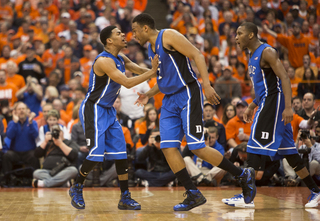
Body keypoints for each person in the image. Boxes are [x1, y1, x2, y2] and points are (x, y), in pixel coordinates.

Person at [132, 13, 256, 211]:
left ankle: (242, 174)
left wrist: (206, 84)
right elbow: (164, 80)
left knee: (196, 147)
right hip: (169, 99)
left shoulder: (168, 35)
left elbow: (197, 54)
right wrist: (149, 94)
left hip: (187, 93)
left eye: (135, 30)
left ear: (145, 28)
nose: (133, 35)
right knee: (168, 147)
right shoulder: (150, 48)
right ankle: (192, 193)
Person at [223, 22, 320, 208]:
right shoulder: (251, 55)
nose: (235, 37)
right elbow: (265, 88)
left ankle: (247, 197)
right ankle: (315, 191)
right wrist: (252, 104)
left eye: (239, 33)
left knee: (252, 145)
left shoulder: (267, 52)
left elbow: (285, 77)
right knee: (290, 154)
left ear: (251, 35)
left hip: (273, 105)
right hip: (267, 102)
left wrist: (289, 107)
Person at [69, 25, 159, 210]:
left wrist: (156, 71)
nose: (124, 35)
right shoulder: (104, 61)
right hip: (94, 109)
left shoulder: (120, 57)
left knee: (121, 154)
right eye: (119, 34)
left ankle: (125, 196)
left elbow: (135, 68)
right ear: (109, 40)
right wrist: (153, 72)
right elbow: (126, 82)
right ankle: (77, 186)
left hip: (108, 110)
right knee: (95, 155)